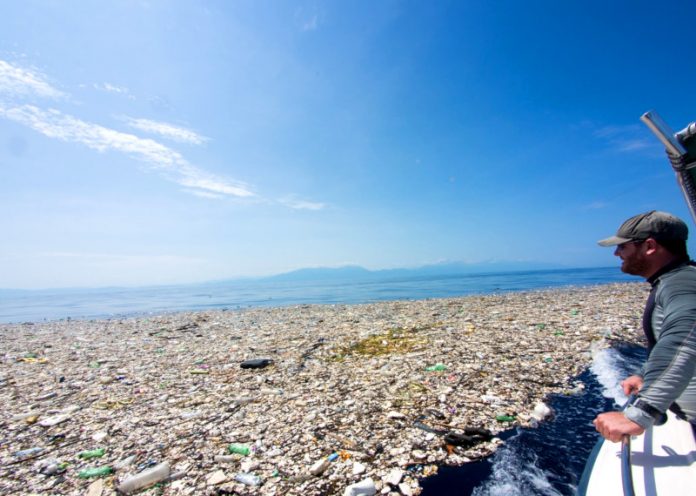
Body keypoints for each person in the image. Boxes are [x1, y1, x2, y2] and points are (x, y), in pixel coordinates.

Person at [593, 210, 696, 442]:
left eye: (623, 246)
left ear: (649, 246)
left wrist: (641, 413)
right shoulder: (673, 281)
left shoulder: (682, 284)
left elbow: (684, 340)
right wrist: (645, 374)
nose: (616, 253)